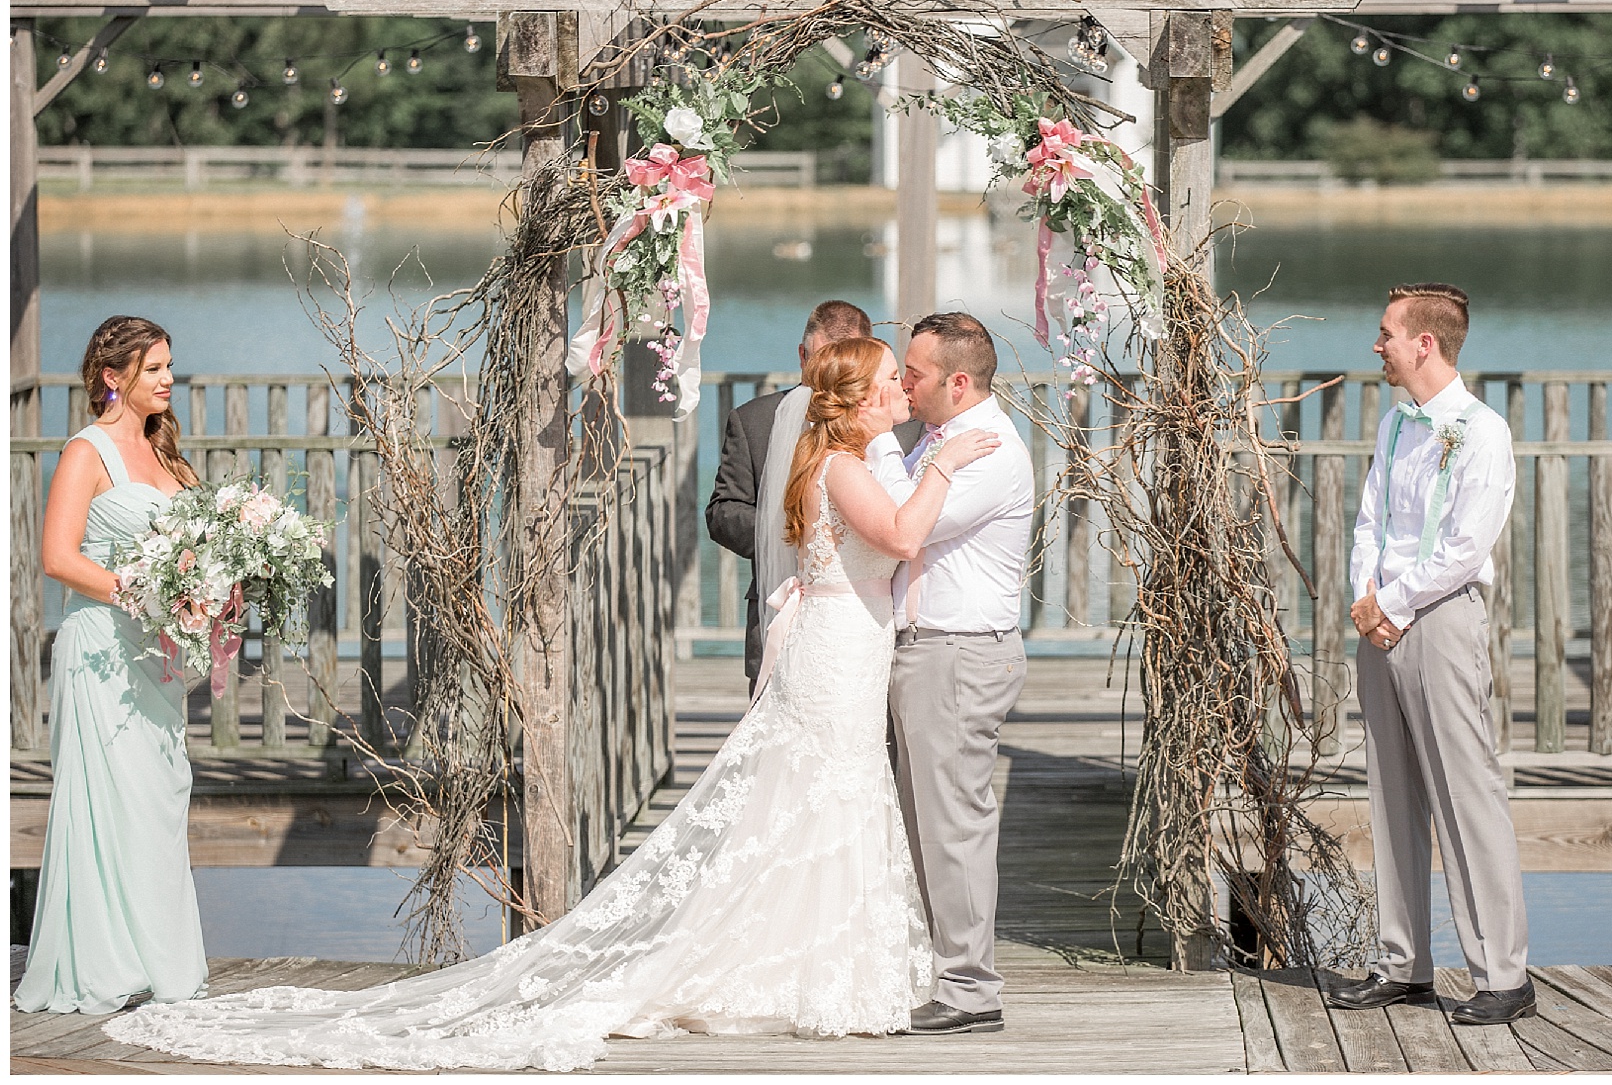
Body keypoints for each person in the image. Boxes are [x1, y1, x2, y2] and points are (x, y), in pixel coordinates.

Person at [106, 337, 1002, 1070]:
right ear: (855, 400)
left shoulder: (845, 455)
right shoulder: (845, 465)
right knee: (828, 796)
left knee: (825, 802)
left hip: (842, 648)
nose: (900, 390)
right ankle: (821, 971)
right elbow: (902, 533)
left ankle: (822, 963)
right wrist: (948, 462)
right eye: (890, 380)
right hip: (839, 654)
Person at [1326, 283, 1534, 1026]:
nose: (1375, 345)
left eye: (1385, 333)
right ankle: (1402, 961)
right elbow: (1369, 519)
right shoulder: (1394, 424)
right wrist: (1367, 594)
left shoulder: (1482, 432)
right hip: (1381, 618)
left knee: (1464, 792)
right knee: (1391, 791)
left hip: (1441, 617)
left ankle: (1504, 972)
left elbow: (1465, 546)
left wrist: (1397, 600)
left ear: (1426, 343)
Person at [14, 316, 208, 1015]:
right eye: (154, 367)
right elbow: (59, 558)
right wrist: (142, 590)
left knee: (159, 797)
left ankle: (156, 960)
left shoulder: (167, 454)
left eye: (168, 365)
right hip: (99, 648)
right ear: (113, 377)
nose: (167, 379)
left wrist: (216, 584)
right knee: (106, 803)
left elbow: (197, 547)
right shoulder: (85, 452)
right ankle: (100, 962)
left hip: (154, 655)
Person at [867, 312, 1035, 1036]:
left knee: (955, 826)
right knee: (924, 822)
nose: (905, 381)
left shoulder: (988, 452)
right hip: (929, 650)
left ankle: (971, 988)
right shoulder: (939, 441)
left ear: (957, 382)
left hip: (959, 652)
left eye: (916, 372)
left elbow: (903, 526)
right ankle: (945, 971)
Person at [707, 300, 887, 690]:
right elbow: (723, 512)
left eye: (846, 363)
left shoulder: (902, 427)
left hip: (869, 618)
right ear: (803, 355)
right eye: (823, 359)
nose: (830, 374)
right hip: (779, 610)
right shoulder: (754, 420)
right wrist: (795, 533)